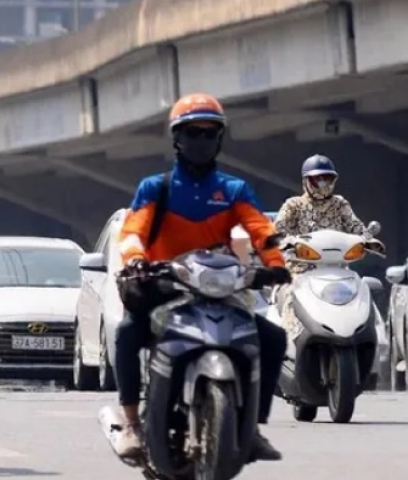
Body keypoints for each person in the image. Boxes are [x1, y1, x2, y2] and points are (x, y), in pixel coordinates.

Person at [110, 93, 290, 461]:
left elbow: (262, 230)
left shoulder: (234, 190)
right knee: (127, 333)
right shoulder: (155, 187)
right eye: (194, 132)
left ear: (220, 138)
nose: (202, 140)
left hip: (216, 287)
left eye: (210, 133)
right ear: (177, 138)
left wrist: (276, 264)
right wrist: (136, 260)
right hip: (164, 286)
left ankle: (253, 428)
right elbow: (133, 232)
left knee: (273, 338)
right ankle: (131, 424)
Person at [273, 154, 369, 337]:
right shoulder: (294, 205)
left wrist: (367, 238)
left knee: (362, 291)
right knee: (291, 296)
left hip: (338, 270)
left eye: (327, 179)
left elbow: (355, 225)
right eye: (317, 179)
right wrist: (285, 241)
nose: (323, 184)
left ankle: (368, 338)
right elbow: (277, 229)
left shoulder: (340, 204)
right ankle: (291, 341)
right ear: (306, 181)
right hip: (301, 270)